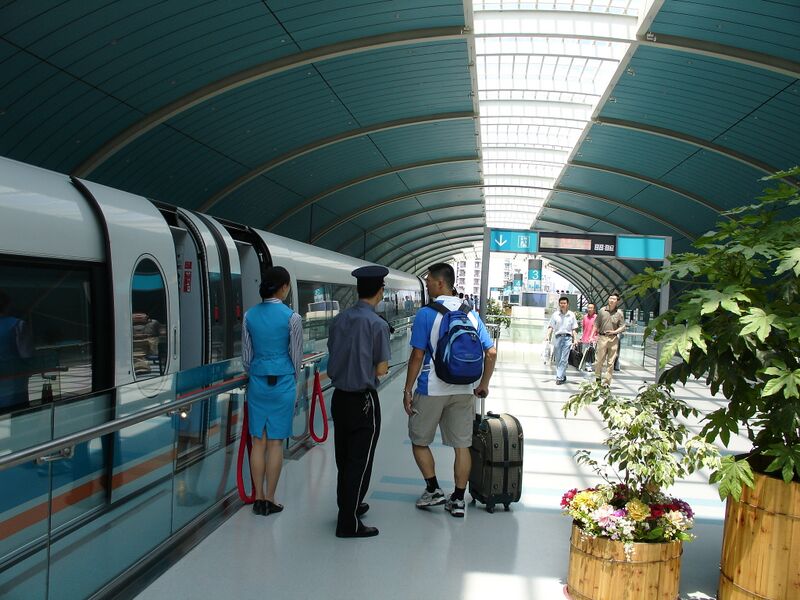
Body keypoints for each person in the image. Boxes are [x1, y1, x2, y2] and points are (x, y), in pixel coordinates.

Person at [403, 263, 496, 518]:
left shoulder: (426, 314)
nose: (427, 285)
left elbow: (417, 355)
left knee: (419, 441)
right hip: (464, 388)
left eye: (429, 281)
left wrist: (407, 389)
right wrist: (483, 384)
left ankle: (433, 489)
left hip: (431, 388)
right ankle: (457, 499)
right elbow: (491, 352)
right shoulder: (470, 313)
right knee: (462, 446)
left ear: (440, 283)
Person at [327, 265, 391, 538]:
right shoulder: (377, 325)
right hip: (363, 401)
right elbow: (381, 369)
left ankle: (348, 505)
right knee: (360, 461)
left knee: (343, 458)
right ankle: (348, 522)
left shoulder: (339, 319)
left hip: (339, 398)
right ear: (380, 291)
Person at [242, 266, 303, 516]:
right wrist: (292, 379)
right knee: (276, 443)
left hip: (257, 382)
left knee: (258, 442)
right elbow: (296, 357)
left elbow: (246, 358)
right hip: (283, 382)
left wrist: (257, 371)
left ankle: (257, 498)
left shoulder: (249, 316)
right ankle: (270, 499)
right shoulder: (292, 318)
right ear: (284, 287)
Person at [0, 289, 33, 411]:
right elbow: (27, 354)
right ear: (7, 305)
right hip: (15, 382)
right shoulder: (18, 325)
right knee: (19, 413)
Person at [592, 292, 626, 386]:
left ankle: (607, 383)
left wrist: (614, 332)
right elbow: (596, 324)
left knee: (611, 362)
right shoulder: (602, 311)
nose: (611, 300)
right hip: (602, 338)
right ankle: (598, 379)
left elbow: (622, 326)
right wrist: (592, 335)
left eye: (614, 299)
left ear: (617, 301)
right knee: (599, 361)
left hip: (613, 339)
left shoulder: (619, 313)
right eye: (610, 298)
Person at [546, 296, 578, 385]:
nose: (562, 305)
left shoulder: (571, 315)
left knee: (564, 359)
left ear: (568, 304)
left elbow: (574, 328)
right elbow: (551, 326)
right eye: (561, 303)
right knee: (558, 359)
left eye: (564, 303)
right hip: (557, 338)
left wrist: (575, 339)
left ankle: (559, 377)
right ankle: (563, 376)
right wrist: (547, 336)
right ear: (559, 304)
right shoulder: (555, 315)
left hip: (567, 338)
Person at [580, 302, 598, 372]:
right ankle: (584, 365)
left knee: (590, 353)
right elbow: (583, 327)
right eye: (588, 308)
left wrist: (595, 337)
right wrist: (582, 336)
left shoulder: (596, 317)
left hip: (593, 339)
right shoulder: (585, 317)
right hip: (585, 338)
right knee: (584, 352)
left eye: (591, 308)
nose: (589, 309)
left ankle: (589, 366)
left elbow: (598, 328)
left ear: (594, 309)